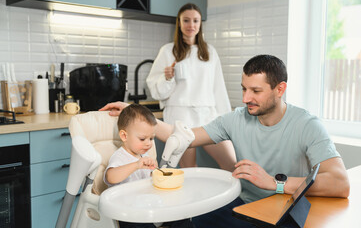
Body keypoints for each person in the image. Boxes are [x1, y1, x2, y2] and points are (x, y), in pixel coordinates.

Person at [101, 55, 350, 228]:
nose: (246, 98)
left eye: (255, 91)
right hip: (242, 207)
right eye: (243, 89)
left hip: (284, 210)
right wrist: (135, 114)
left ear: (280, 89)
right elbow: (186, 136)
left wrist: (273, 183)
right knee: (189, 219)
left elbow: (340, 184)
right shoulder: (236, 119)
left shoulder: (307, 124)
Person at [145, 3, 236, 171]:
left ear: (200, 23)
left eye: (195, 20)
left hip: (208, 116)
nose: (191, 25)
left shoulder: (210, 52)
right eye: (186, 20)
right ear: (179, 23)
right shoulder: (167, 51)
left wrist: (227, 121)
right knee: (189, 168)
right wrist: (168, 78)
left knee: (231, 164)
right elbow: (157, 92)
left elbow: (218, 88)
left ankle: (234, 198)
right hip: (180, 116)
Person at [103, 103, 193, 228]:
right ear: (124, 136)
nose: (148, 144)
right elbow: (110, 177)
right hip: (129, 212)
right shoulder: (120, 157)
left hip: (149, 207)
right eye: (142, 139)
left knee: (181, 217)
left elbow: (149, 183)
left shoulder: (143, 157)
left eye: (151, 138)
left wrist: (154, 173)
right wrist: (136, 165)